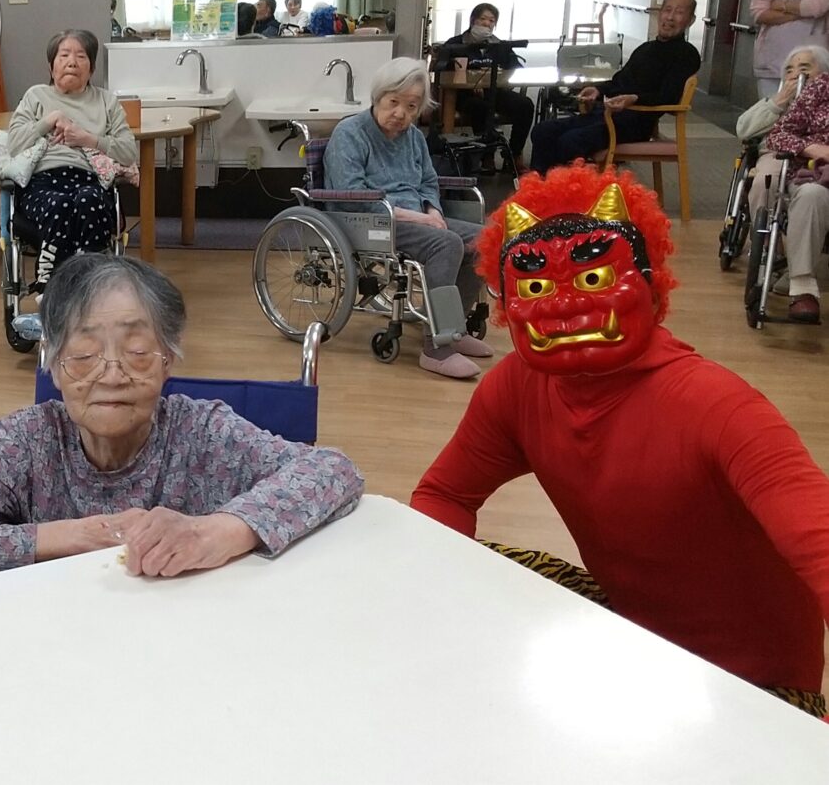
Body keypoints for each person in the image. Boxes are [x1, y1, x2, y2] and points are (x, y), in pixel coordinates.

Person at [412, 164, 829, 718]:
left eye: (593, 279)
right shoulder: (517, 386)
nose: (563, 304)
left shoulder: (717, 406)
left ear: (652, 285)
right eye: (536, 286)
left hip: (754, 690)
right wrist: (433, 605)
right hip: (631, 644)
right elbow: (444, 495)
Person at [0, 253, 364, 588]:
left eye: (137, 352)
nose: (112, 374)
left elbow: (333, 470)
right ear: (54, 367)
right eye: (84, 354)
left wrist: (214, 531)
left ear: (167, 362)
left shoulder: (199, 431)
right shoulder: (28, 440)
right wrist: (78, 536)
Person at [326, 56, 495, 379]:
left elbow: (428, 181)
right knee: (446, 244)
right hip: (370, 221)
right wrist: (419, 219)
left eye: (412, 106)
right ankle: (437, 349)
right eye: (394, 102)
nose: (401, 113)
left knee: (485, 239)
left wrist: (433, 211)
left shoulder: (414, 137)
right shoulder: (350, 134)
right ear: (378, 97)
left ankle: (453, 329)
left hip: (415, 216)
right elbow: (353, 196)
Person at [5, 29, 138, 293]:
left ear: (92, 68)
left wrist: (88, 138)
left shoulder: (106, 101)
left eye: (81, 56)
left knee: (89, 200)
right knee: (59, 204)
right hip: (42, 181)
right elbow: (15, 143)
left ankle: (89, 282)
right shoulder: (35, 96)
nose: (72, 62)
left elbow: (128, 152)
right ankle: (52, 286)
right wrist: (50, 119)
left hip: (88, 179)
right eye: (64, 55)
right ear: (51, 66)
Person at [528, 0, 701, 175]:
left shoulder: (686, 55)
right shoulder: (645, 49)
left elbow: (669, 96)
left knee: (570, 141)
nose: (670, 17)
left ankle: (562, 187)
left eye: (679, 12)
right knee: (542, 131)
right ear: (660, 14)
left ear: (691, 20)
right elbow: (619, 81)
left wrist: (634, 98)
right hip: (606, 115)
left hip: (634, 123)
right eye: (667, 10)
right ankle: (538, 186)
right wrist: (598, 90)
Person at [765, 68, 829, 323]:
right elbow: (778, 135)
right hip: (817, 177)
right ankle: (803, 288)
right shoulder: (822, 86)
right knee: (812, 195)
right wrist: (813, 148)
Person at [735, 45, 829, 219]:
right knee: (765, 181)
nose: (795, 75)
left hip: (816, 157)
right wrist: (778, 102)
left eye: (804, 69)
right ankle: (763, 233)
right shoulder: (776, 101)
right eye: (789, 70)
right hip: (776, 154)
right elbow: (743, 129)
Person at [444, 3, 536, 172]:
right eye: (483, 19)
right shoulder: (455, 44)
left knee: (525, 105)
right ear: (473, 20)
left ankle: (513, 154)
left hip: (495, 91)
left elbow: (516, 68)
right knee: (481, 107)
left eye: (491, 20)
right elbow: (443, 70)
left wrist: (504, 76)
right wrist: (470, 81)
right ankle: (487, 154)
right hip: (465, 95)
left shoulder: (499, 46)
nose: (487, 23)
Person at [749, 0, 829, 99]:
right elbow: (758, 12)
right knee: (770, 112)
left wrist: (781, 5)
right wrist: (801, 11)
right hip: (771, 58)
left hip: (811, 61)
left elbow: (819, 5)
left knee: (807, 111)